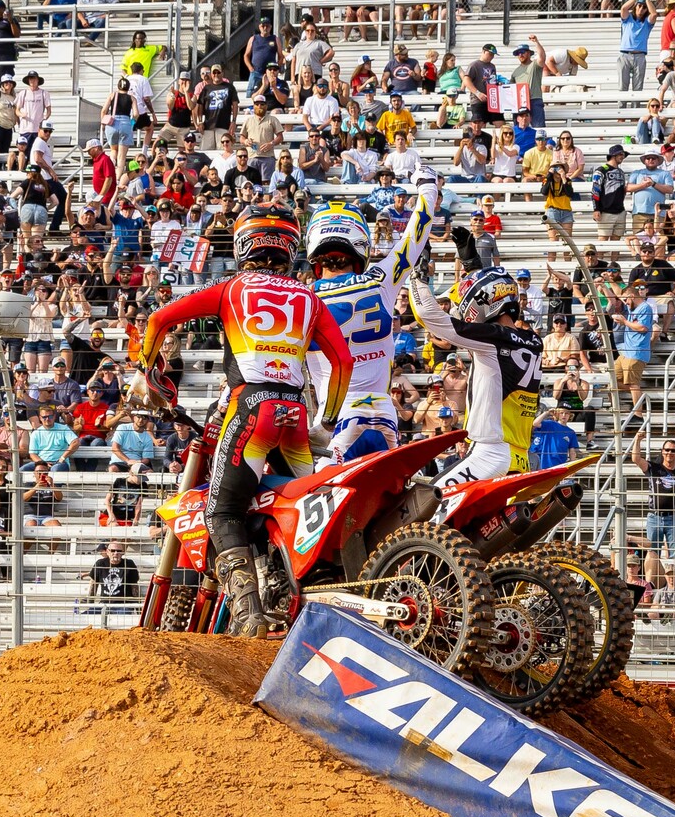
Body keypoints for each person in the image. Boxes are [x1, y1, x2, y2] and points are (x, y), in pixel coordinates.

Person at [137, 209, 355, 635]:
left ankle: (249, 613)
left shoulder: (231, 288)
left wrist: (149, 371)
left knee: (221, 511)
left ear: (242, 246)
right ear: (291, 249)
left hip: (249, 406)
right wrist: (327, 421)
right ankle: (298, 594)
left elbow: (158, 319)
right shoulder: (310, 298)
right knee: (300, 508)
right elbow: (342, 360)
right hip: (295, 412)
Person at [404, 224, 544, 489]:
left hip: (488, 453)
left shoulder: (491, 340)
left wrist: (417, 275)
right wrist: (472, 264)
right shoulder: (533, 341)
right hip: (519, 458)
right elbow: (489, 294)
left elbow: (430, 316)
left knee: (420, 506)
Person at [309, 184, 435, 461]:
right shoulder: (381, 280)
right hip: (384, 413)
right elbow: (418, 230)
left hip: (336, 420)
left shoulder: (304, 298)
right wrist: (427, 186)